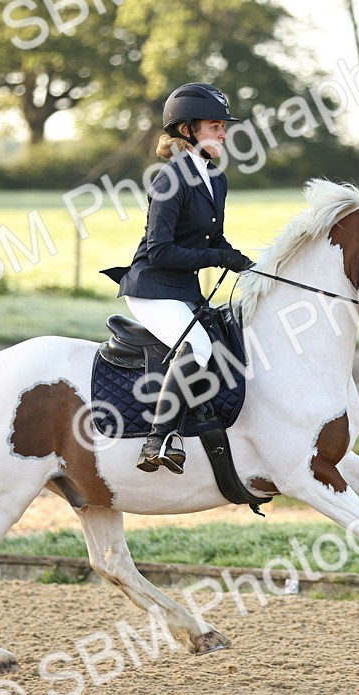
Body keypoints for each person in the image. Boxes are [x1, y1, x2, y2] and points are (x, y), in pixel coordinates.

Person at [103, 82, 254, 475]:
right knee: (199, 348)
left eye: (223, 126)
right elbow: (160, 250)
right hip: (152, 287)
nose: (223, 133)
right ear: (187, 130)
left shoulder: (215, 179)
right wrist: (217, 256)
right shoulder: (170, 179)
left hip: (182, 290)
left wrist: (246, 262)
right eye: (214, 125)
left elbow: (213, 239)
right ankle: (158, 438)